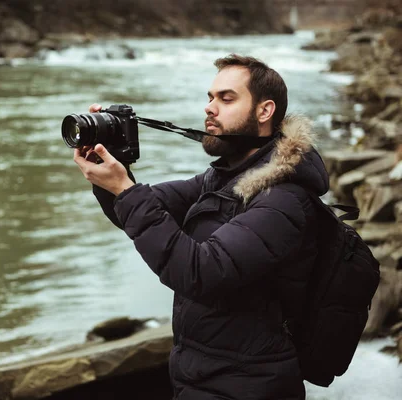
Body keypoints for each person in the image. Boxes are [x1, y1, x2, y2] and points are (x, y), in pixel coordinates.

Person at [73, 54, 329, 400]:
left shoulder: (283, 199)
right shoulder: (222, 178)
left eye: (226, 98)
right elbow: (136, 210)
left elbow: (200, 272)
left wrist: (124, 190)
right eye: (210, 98)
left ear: (264, 111)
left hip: (248, 385)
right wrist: (112, 173)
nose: (210, 108)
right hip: (204, 376)